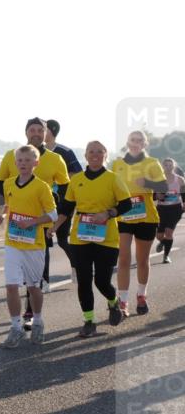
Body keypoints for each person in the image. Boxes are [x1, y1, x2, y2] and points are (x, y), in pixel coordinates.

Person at [55, 142, 133, 337]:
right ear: (86, 155)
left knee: (101, 281)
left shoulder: (113, 179)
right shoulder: (77, 179)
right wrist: (54, 227)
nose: (95, 155)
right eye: (91, 152)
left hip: (106, 237)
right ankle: (89, 321)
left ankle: (114, 302)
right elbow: (66, 207)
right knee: (83, 280)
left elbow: (127, 204)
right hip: (80, 236)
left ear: (105, 155)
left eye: (100, 152)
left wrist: (108, 212)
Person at [0, 118, 70, 317]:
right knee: (13, 278)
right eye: (32, 130)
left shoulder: (55, 159)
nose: (36, 133)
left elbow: (66, 189)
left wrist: (55, 210)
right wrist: (12, 204)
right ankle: (19, 318)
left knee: (34, 278)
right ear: (26, 132)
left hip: (42, 222)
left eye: (40, 130)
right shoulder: (12, 155)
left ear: (46, 133)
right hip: (16, 224)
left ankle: (31, 311)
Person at [0, 145, 57, 347]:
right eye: (19, 160)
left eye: (27, 160)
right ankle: (16, 327)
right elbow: (8, 205)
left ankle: (38, 321)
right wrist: (3, 215)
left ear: (35, 163)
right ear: (15, 162)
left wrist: (31, 222)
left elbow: (53, 215)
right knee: (11, 286)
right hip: (12, 242)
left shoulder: (42, 187)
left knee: (33, 288)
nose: (23, 163)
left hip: (34, 244)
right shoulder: (9, 183)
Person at [111, 131, 167, 315]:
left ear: (145, 144)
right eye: (132, 140)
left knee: (142, 260)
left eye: (139, 140)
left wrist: (147, 182)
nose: (135, 143)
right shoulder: (118, 164)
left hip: (146, 217)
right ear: (127, 142)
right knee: (124, 258)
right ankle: (123, 301)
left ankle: (141, 295)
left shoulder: (151, 163)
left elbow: (164, 187)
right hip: (124, 217)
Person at [44, 119, 83, 276]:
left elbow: (78, 175)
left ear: (52, 131)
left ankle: (77, 267)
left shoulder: (65, 152)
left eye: (44, 129)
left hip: (64, 202)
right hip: (42, 203)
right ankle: (43, 279)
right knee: (43, 242)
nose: (40, 132)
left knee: (61, 240)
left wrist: (59, 177)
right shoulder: (32, 152)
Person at [157, 158, 183, 264]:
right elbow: (153, 195)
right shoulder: (158, 180)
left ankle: (166, 256)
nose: (168, 167)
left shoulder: (180, 179)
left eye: (170, 165)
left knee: (169, 232)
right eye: (166, 165)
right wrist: (157, 195)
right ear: (162, 167)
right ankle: (163, 242)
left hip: (175, 209)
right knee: (159, 236)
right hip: (161, 209)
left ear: (174, 166)